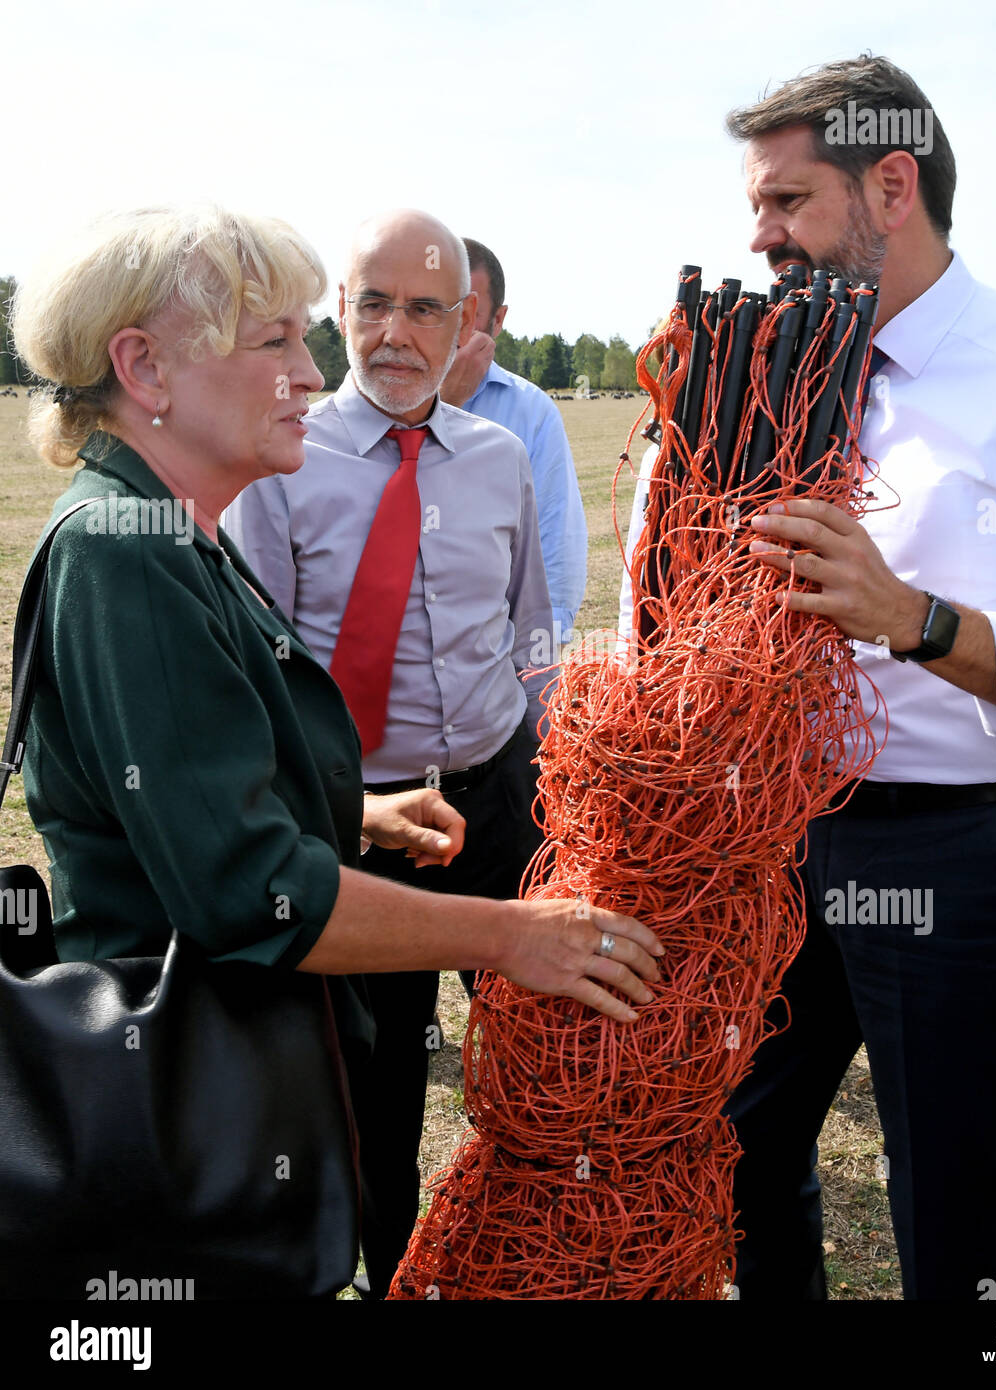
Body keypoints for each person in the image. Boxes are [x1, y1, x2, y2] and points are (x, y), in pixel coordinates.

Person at [10, 204, 663, 1300]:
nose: (311, 375)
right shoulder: (127, 556)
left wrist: (356, 814)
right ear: (144, 367)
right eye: (273, 342)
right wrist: (512, 935)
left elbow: (198, 787)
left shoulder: (177, 536)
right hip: (184, 1111)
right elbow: (249, 891)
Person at [701, 56, 996, 1300]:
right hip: (779, 840)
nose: (760, 235)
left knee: (949, 1206)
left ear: (891, 184)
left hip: (960, 855)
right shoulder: (773, 371)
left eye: (787, 201)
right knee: (730, 1156)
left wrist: (917, 620)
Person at [222, 208, 569, 1297]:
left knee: (543, 1047)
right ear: (341, 312)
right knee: (375, 1087)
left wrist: (554, 767)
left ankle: (535, 1253)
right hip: (354, 822)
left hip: (497, 800)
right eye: (373, 304)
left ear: (468, 322)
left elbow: (532, 638)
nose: (395, 334)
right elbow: (263, 671)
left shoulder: (501, 457)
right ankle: (392, 1272)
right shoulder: (278, 461)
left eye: (426, 309)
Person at [438, 236, 588, 644]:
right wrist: (439, 402)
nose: (450, 333)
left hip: (498, 665)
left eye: (469, 317)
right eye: (435, 311)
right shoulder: (383, 404)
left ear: (497, 321)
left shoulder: (531, 412)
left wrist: (539, 663)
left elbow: (556, 555)